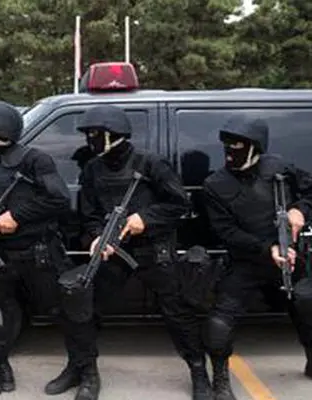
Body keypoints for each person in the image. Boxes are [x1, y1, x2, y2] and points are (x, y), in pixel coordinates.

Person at [0, 99, 99, 400]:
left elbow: (58, 199)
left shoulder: (34, 161)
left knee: (69, 313)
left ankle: (85, 373)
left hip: (39, 254)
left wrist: (16, 216)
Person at [202, 114, 312, 399]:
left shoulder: (278, 167)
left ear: (255, 146)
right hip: (246, 262)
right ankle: (220, 379)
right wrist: (265, 249)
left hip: (289, 259)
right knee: (219, 324)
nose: (230, 151)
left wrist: (299, 209)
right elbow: (225, 231)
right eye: (227, 145)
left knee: (308, 314)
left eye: (237, 145)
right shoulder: (215, 184)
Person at [72, 105, 211, 400]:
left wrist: (144, 219)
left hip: (153, 249)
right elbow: (89, 213)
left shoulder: (151, 163)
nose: (89, 140)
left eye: (95, 134)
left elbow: (180, 204)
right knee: (86, 308)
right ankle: (84, 371)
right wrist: (97, 237)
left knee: (178, 313)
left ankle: (199, 372)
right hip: (114, 251)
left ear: (113, 134)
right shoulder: (92, 169)